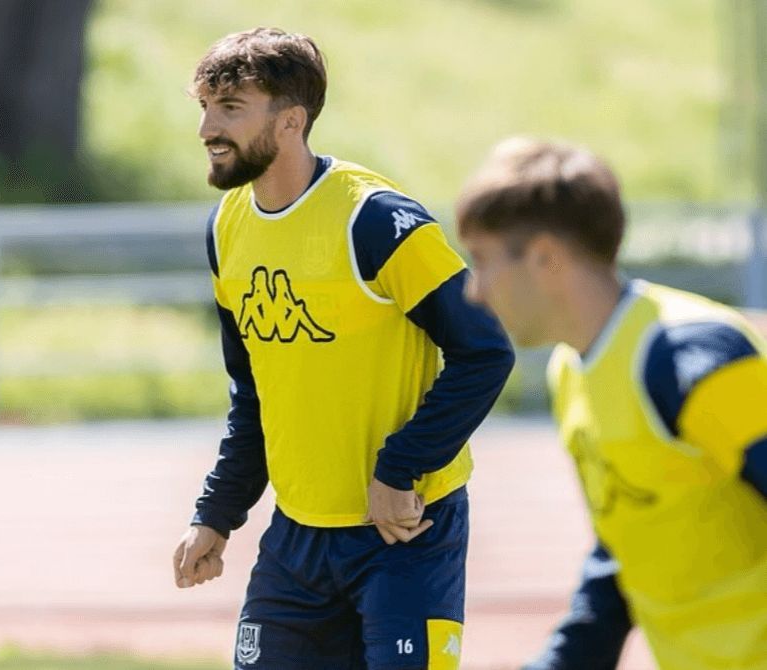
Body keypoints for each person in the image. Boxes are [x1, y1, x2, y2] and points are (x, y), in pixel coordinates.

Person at [171, 28, 515, 670]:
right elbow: (254, 393)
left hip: (405, 536)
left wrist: (398, 468)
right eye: (204, 107)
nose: (206, 129)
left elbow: (485, 351)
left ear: (291, 121)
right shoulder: (227, 229)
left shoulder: (377, 221)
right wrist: (217, 513)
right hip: (296, 543)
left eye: (230, 109)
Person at [454, 137, 767, 670]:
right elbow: (622, 551)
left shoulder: (690, 355)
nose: (475, 291)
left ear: (545, 257)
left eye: (483, 260)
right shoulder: (571, 372)